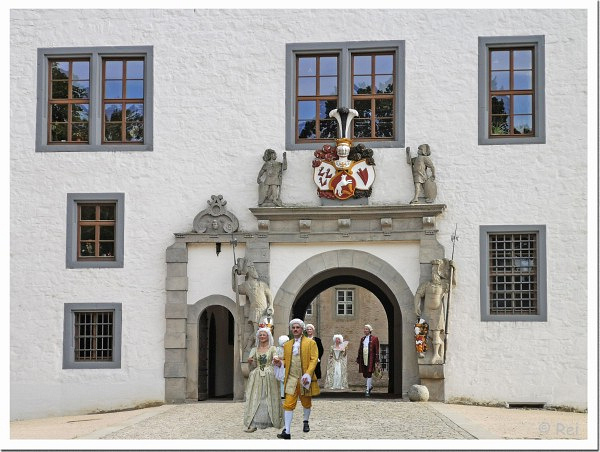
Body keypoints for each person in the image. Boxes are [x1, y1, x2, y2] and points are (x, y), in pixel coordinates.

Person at [273, 319, 320, 440]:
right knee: (288, 404)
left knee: (306, 403)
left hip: (305, 379)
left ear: (302, 329)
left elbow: (314, 359)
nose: (295, 329)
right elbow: (286, 361)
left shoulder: (311, 343)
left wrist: (308, 375)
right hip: (291, 379)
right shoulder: (288, 345)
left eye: (297, 327)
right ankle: (287, 432)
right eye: (293, 327)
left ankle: (305, 421)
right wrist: (279, 363)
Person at [414, 259, 455, 364]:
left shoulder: (443, 285)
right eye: (433, 272)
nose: (434, 274)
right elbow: (418, 294)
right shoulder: (426, 285)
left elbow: (452, 284)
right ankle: (421, 351)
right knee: (419, 329)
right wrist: (416, 306)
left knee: (436, 334)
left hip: (437, 313)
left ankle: (436, 354)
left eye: (436, 272)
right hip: (426, 311)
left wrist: (453, 270)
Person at [243, 328, 283, 433]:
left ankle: (271, 421)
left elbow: (275, 358)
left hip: (269, 375)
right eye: (260, 335)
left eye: (264, 335)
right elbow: (254, 365)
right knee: (256, 397)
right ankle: (254, 423)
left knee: (268, 397)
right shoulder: (254, 349)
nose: (262, 336)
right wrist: (250, 362)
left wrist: (276, 360)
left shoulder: (272, 348)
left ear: (268, 336)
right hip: (257, 375)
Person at [232, 261, 274, 353]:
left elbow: (269, 294)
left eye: (254, 269)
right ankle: (253, 348)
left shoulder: (262, 284)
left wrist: (271, 305)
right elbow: (235, 288)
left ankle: (252, 347)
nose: (255, 271)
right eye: (253, 269)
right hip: (255, 310)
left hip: (264, 311)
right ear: (249, 272)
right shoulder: (246, 285)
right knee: (257, 331)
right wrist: (233, 274)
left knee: (264, 330)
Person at [356, 324, 380, 396]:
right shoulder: (362, 339)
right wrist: (358, 358)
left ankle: (367, 389)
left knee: (369, 372)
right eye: (364, 329)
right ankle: (369, 386)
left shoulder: (374, 338)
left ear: (370, 330)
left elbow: (377, 349)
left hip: (371, 357)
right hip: (364, 357)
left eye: (366, 329)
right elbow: (360, 349)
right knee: (365, 372)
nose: (365, 330)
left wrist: (376, 359)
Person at [276, 334, 289, 399]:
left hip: (286, 365)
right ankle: (281, 394)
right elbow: (276, 356)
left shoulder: (289, 349)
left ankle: (287, 393)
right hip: (280, 366)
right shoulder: (278, 349)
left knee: (286, 380)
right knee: (281, 380)